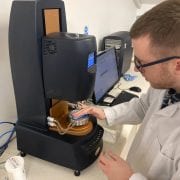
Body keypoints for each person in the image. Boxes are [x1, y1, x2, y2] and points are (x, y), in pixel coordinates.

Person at [73, 0, 180, 179]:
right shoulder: (167, 87)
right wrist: (105, 113)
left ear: (177, 66)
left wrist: (128, 178)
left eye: (141, 63)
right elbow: (143, 107)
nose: (136, 69)